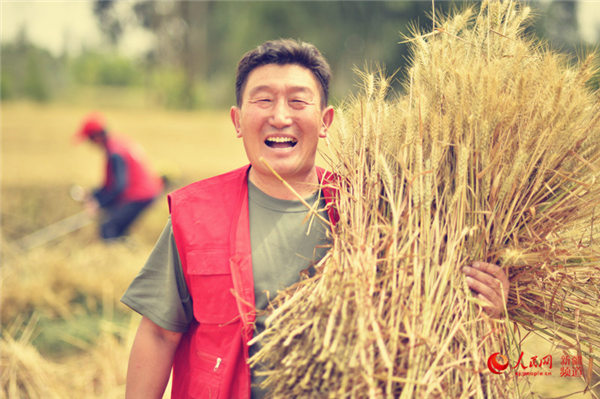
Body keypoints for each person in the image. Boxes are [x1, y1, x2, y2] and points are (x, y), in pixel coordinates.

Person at [121, 39, 509, 399]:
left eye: (297, 101)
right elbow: (158, 334)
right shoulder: (195, 213)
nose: (279, 116)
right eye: (264, 100)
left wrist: (484, 308)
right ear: (237, 120)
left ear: (325, 121)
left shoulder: (375, 211)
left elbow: (430, 331)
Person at [75, 114, 164, 240]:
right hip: (146, 192)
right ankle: (125, 249)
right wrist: (94, 195)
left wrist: (98, 204)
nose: (90, 144)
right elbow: (111, 186)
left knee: (108, 228)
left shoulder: (115, 153)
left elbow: (119, 187)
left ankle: (115, 255)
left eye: (90, 139)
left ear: (97, 136)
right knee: (117, 229)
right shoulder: (118, 144)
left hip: (140, 195)